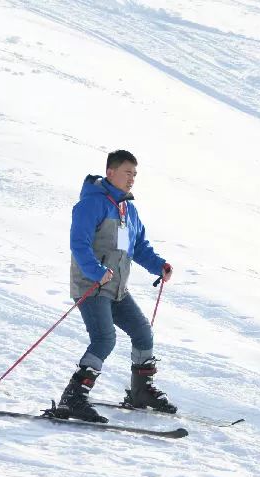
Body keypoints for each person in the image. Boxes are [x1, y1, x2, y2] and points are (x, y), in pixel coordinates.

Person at [56, 150, 176, 423]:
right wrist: (96, 272)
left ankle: (140, 392)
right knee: (104, 338)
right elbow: (79, 244)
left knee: (143, 333)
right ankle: (73, 397)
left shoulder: (128, 209)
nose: (132, 179)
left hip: (117, 289)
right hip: (92, 286)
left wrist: (159, 266)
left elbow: (139, 247)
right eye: (127, 172)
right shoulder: (91, 205)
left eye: (135, 174)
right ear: (110, 173)